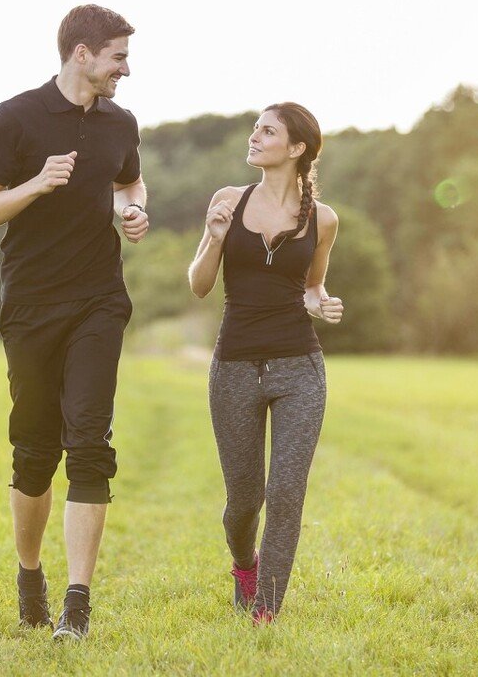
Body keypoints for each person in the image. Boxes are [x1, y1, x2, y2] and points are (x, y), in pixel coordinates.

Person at [0, 4, 149, 642]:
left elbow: (131, 183)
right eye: (119, 57)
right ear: (83, 55)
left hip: (100, 298)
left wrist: (132, 212)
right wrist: (37, 185)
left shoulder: (120, 123)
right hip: (32, 304)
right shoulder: (15, 118)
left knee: (90, 443)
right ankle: (30, 577)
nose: (126, 68)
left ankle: (78, 603)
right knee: (35, 450)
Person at [187, 102, 344, 624]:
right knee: (244, 501)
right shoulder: (229, 200)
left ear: (296, 149)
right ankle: (243, 563)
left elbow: (311, 287)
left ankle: (265, 613)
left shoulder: (323, 219)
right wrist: (213, 236)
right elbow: (200, 285)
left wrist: (324, 303)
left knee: (285, 492)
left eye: (267, 130)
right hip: (234, 366)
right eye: (255, 128)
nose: (254, 136)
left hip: (300, 368)